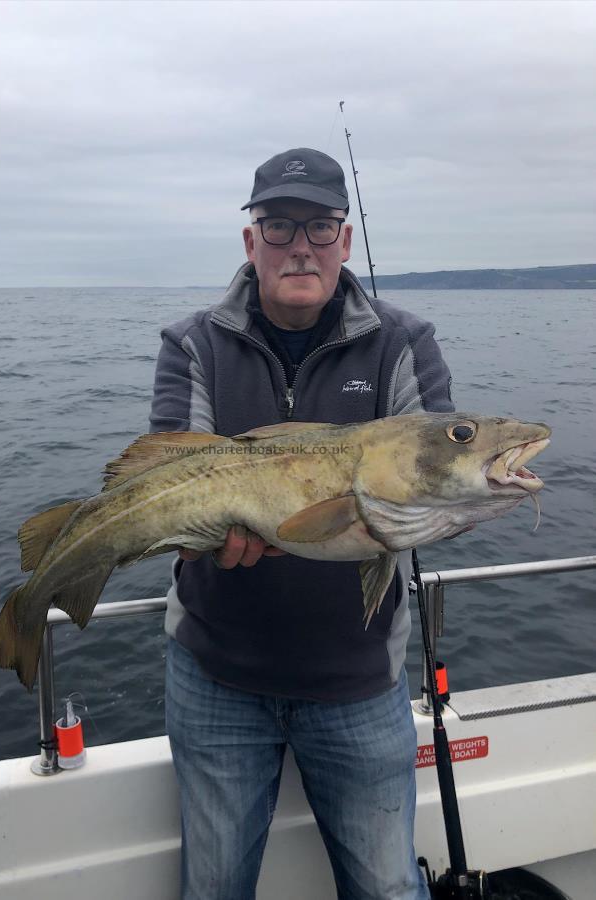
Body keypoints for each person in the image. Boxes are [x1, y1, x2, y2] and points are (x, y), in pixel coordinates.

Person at [149, 148, 454, 900]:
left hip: (357, 683)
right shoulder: (191, 343)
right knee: (214, 889)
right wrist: (213, 539)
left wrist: (466, 498)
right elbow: (170, 475)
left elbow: (435, 479)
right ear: (250, 242)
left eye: (319, 228)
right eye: (279, 227)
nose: (300, 248)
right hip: (215, 677)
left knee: (387, 889)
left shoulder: (402, 342)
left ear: (345, 242)